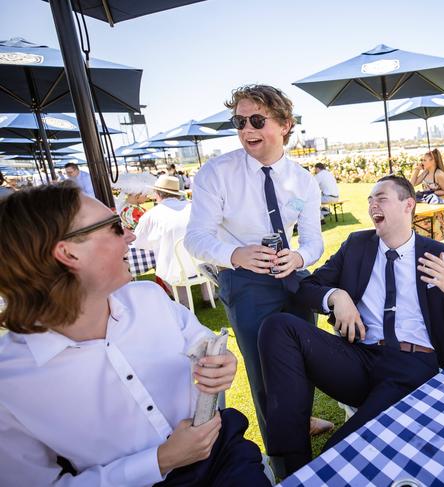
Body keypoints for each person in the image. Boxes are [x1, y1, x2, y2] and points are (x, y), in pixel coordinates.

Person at [0, 183, 271, 486]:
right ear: (68, 253)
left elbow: (201, 340)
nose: (131, 235)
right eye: (116, 227)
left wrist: (223, 362)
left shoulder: (148, 297)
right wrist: (160, 461)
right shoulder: (10, 382)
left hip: (223, 457)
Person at [258, 175, 444, 477]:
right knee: (278, 327)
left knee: (339, 453)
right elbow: (308, 285)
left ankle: (316, 471)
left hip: (411, 367)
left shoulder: (438, 254)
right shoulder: (357, 245)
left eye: (381, 198)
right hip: (359, 359)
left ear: (408, 205)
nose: (373, 204)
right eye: (370, 199)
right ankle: (294, 464)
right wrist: (337, 296)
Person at [184, 84, 329, 459]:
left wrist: (299, 259)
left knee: (302, 360)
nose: (246, 128)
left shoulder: (304, 180)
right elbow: (195, 238)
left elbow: (314, 242)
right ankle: (286, 463)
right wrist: (235, 254)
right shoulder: (216, 173)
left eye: (257, 120)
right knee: (264, 376)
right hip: (245, 282)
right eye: (239, 121)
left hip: (293, 280)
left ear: (284, 124)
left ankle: (300, 420)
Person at [133, 175, 206, 308]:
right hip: (202, 261)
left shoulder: (150, 215)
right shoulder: (194, 208)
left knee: (169, 263)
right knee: (200, 258)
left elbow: (139, 243)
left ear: (158, 194)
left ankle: (184, 303)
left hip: (174, 267)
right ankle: (209, 295)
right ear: (177, 194)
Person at [410, 148, 444, 240]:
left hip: (436, 207)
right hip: (426, 204)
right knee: (415, 218)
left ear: (433, 161)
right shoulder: (425, 172)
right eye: (422, 160)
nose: (422, 162)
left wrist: (432, 192)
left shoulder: (439, 174)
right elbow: (412, 184)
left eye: (424, 160)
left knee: (435, 230)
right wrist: (417, 170)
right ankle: (421, 242)